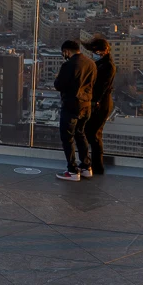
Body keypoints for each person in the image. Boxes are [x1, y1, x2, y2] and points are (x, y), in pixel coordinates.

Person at [53, 39, 96, 182]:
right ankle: (86, 167)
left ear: (66, 51)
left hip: (71, 104)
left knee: (67, 137)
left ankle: (72, 170)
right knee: (81, 134)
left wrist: (56, 79)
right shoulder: (91, 64)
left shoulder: (68, 65)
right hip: (86, 105)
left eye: (63, 53)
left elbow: (59, 85)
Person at [82, 36, 115, 175]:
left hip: (101, 104)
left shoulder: (108, 66)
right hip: (99, 103)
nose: (94, 54)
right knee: (93, 133)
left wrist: (95, 102)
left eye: (96, 51)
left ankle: (97, 166)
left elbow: (102, 86)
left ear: (105, 50)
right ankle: (95, 165)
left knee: (93, 134)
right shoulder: (102, 63)